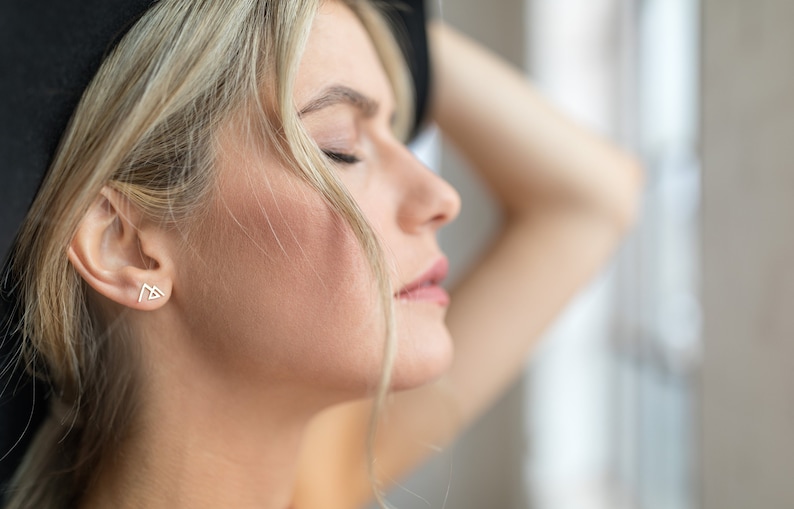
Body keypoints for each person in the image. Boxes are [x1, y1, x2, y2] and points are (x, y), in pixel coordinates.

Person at [0, 0, 642, 508]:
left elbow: (596, 198)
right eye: (341, 149)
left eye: (397, 132)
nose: (440, 196)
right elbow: (589, 202)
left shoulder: (315, 484)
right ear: (126, 244)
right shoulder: (327, 483)